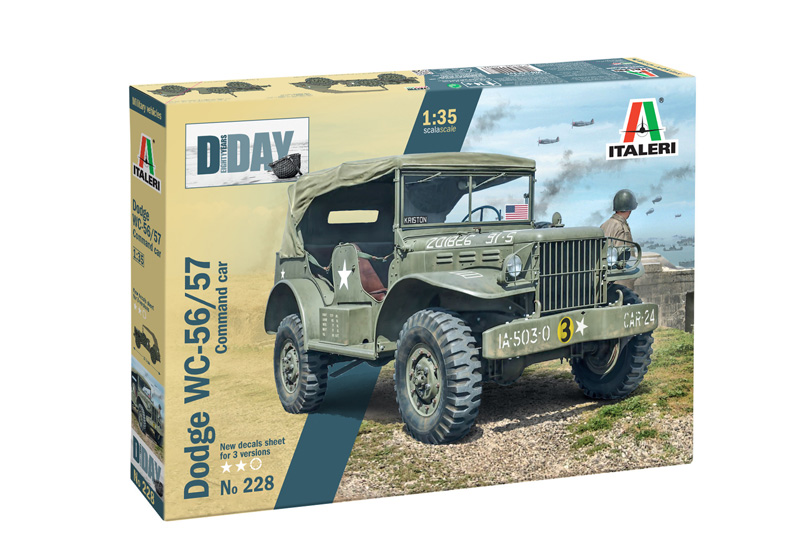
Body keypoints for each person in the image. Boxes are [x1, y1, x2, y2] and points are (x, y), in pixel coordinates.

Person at [601, 189, 638, 288]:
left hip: (604, 278)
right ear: (629, 209)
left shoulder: (604, 224)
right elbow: (625, 258)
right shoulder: (622, 228)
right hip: (619, 281)